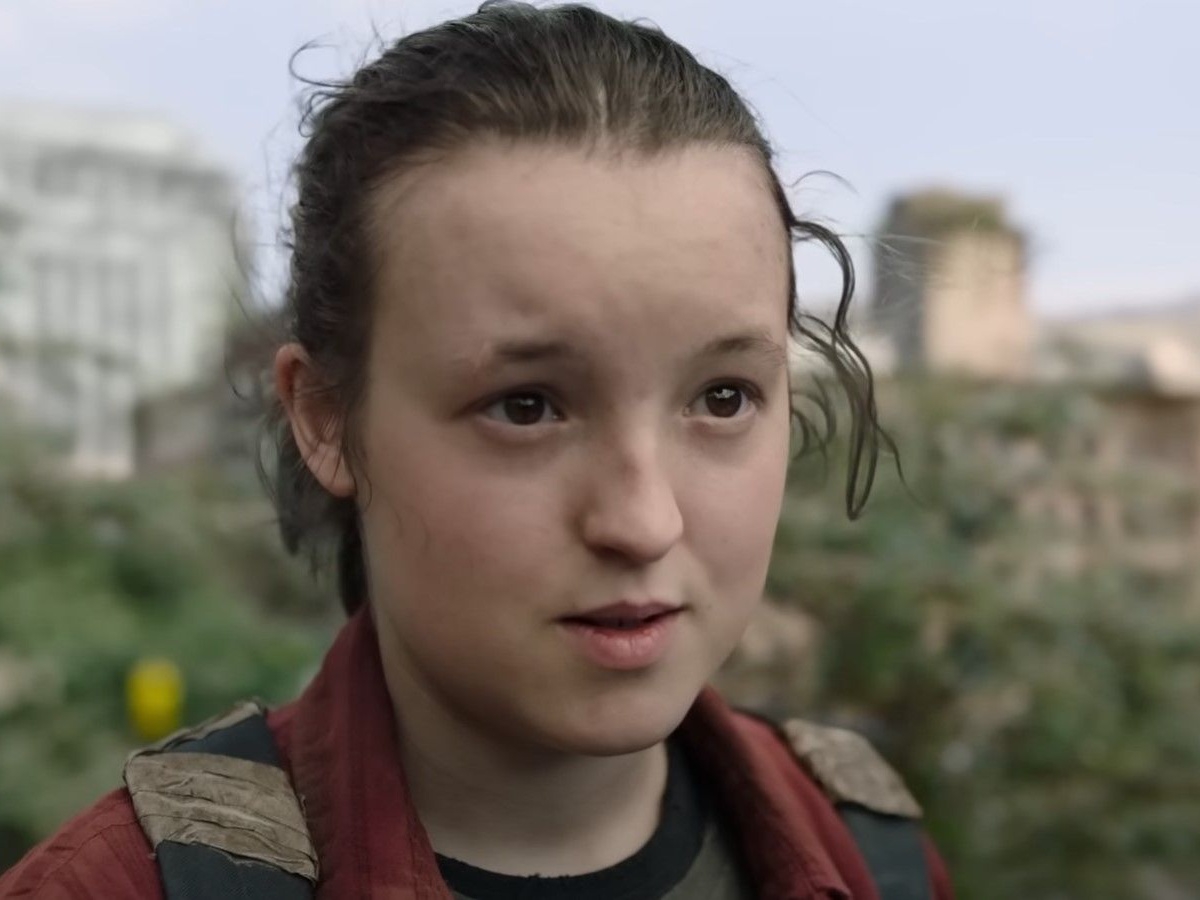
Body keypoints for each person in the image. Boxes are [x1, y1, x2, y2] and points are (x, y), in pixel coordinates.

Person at [1, 3, 954, 898]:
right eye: (527, 407)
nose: (642, 520)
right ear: (325, 418)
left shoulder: (869, 848)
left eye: (723, 397)